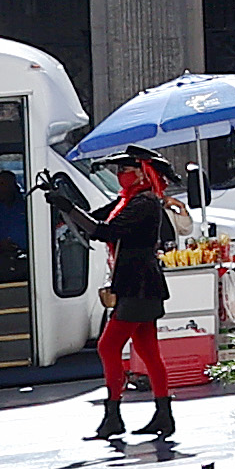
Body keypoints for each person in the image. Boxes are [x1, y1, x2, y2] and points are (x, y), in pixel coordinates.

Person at [88, 159, 182, 451]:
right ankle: (163, 414)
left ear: (141, 172)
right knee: (147, 350)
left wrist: (67, 207)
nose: (120, 175)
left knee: (108, 346)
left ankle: (114, 415)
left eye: (124, 170)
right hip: (139, 285)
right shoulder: (129, 200)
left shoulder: (143, 203)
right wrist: (65, 205)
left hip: (138, 285)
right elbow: (96, 220)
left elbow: (105, 231)